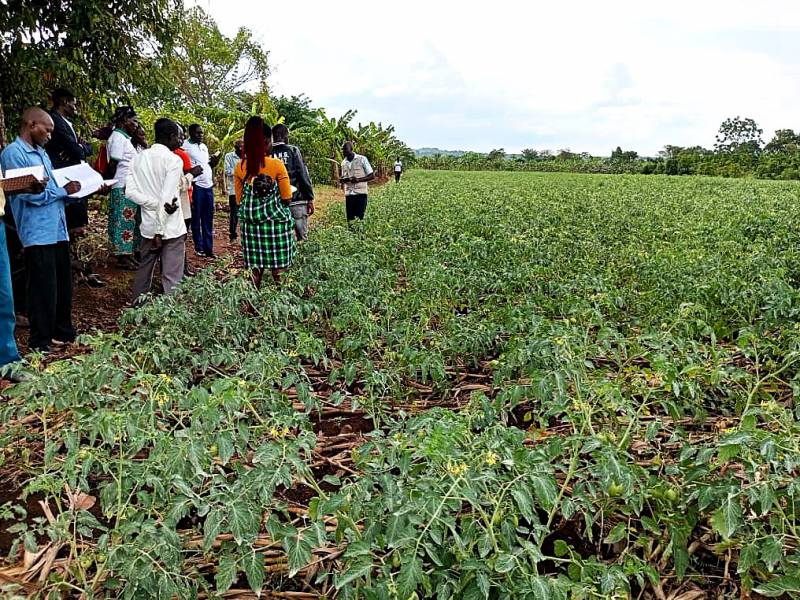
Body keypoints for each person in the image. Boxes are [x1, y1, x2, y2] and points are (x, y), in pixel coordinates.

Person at [0, 107, 82, 353]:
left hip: (57, 227)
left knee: (61, 283)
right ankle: (40, 340)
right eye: (47, 129)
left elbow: (54, 189)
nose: (49, 135)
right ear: (31, 124)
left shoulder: (43, 154)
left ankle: (62, 331)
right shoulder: (14, 153)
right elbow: (29, 195)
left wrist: (75, 192)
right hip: (37, 231)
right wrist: (62, 192)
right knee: (42, 286)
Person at [46, 88, 105, 289]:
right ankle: (78, 270)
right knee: (75, 227)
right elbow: (78, 150)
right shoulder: (55, 122)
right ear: (63, 101)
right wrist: (83, 148)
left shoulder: (66, 124)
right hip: (67, 181)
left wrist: (81, 148)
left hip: (73, 180)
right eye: (73, 102)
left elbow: (79, 149)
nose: (75, 107)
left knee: (77, 226)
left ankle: (81, 269)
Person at [126, 118, 186, 304]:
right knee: (172, 276)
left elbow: (130, 192)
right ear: (170, 137)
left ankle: (138, 309)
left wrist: (151, 205)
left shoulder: (138, 158)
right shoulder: (173, 160)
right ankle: (170, 318)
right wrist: (159, 232)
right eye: (179, 137)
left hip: (148, 225)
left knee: (145, 270)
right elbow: (168, 199)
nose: (180, 141)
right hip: (170, 228)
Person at [234, 116, 294, 288]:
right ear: (267, 141)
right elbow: (287, 198)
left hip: (251, 229)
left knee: (254, 271)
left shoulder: (240, 167)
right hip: (276, 227)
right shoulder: (277, 165)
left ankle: (252, 306)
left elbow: (239, 200)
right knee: (279, 270)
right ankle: (281, 305)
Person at [106, 106, 141, 270]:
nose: (136, 124)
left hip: (128, 186)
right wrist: (108, 183)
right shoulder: (118, 138)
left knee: (129, 221)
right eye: (133, 121)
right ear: (124, 120)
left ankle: (128, 254)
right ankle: (122, 256)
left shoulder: (124, 138)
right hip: (121, 186)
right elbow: (113, 164)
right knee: (123, 221)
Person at [271, 124, 314, 241]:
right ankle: (303, 259)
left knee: (281, 237)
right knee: (302, 237)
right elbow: (303, 175)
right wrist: (310, 198)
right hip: (297, 200)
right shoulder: (293, 150)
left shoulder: (268, 153)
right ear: (285, 136)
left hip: (276, 203)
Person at [182, 124, 219, 258]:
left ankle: (209, 248)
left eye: (202, 133)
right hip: (196, 186)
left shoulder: (203, 147)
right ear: (191, 133)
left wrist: (213, 167)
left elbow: (207, 165)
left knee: (208, 218)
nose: (200, 135)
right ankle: (199, 247)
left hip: (208, 186)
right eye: (198, 133)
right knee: (196, 218)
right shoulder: (185, 146)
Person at [174, 127, 202, 277]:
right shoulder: (181, 155)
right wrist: (193, 173)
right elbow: (183, 181)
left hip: (175, 200)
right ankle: (181, 270)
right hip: (183, 198)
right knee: (181, 236)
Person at [340, 141, 375, 222]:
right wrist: (343, 180)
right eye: (343, 150)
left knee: (359, 218)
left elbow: (372, 176)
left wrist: (358, 180)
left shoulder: (362, 159)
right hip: (349, 194)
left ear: (351, 149)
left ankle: (359, 234)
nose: (344, 151)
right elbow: (344, 177)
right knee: (350, 219)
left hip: (361, 193)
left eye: (346, 149)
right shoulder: (343, 163)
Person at [224, 139, 243, 242]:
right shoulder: (229, 156)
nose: (241, 149)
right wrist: (240, 172)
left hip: (246, 190)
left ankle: (245, 234)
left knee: (245, 213)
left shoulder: (247, 156)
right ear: (235, 147)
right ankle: (233, 235)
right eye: (239, 147)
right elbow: (228, 171)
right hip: (234, 190)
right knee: (234, 214)